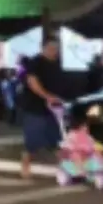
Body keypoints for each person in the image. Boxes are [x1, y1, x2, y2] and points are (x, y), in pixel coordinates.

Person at [19, 35, 65, 180]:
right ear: (43, 48)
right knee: (32, 142)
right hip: (35, 107)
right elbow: (33, 82)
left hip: (55, 109)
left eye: (56, 48)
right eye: (51, 48)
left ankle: (67, 170)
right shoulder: (35, 63)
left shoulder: (59, 63)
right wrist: (47, 96)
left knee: (58, 141)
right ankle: (25, 167)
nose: (54, 51)